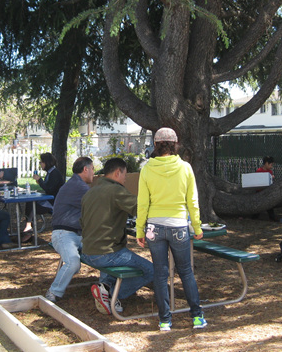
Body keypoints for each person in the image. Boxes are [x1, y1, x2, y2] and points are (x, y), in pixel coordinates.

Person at [136, 127, 207, 331]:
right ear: (175, 144)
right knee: (186, 272)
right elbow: (192, 201)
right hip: (179, 226)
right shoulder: (185, 168)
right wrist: (197, 226)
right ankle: (197, 317)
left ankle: (165, 320)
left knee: (160, 273)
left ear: (155, 145)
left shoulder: (147, 169)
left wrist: (140, 230)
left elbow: (143, 204)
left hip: (154, 227)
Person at [81, 157, 154, 315]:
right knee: (151, 270)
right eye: (125, 175)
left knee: (114, 256)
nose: (125, 179)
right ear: (117, 172)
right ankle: (112, 295)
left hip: (87, 250)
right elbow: (140, 208)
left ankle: (104, 288)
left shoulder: (90, 192)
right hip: (106, 253)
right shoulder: (116, 190)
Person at [44, 157, 95, 303]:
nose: (94, 172)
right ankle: (53, 293)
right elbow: (99, 204)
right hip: (64, 234)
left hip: (77, 234)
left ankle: (105, 287)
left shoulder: (75, 183)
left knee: (104, 254)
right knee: (73, 263)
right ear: (85, 169)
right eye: (92, 169)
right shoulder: (79, 187)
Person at [21, 152, 65, 239]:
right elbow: (48, 187)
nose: (40, 164)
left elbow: (49, 189)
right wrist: (40, 182)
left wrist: (40, 180)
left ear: (46, 163)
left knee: (31, 205)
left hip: (54, 203)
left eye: (41, 162)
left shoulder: (54, 173)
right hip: (50, 200)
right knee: (30, 202)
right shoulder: (51, 172)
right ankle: (28, 228)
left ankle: (29, 229)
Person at [252, 156, 278, 222]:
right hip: (260, 191)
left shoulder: (270, 172)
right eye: (271, 165)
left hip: (267, 191)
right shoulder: (259, 171)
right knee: (258, 205)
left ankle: (272, 217)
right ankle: (254, 216)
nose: (271, 166)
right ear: (266, 163)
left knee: (269, 205)